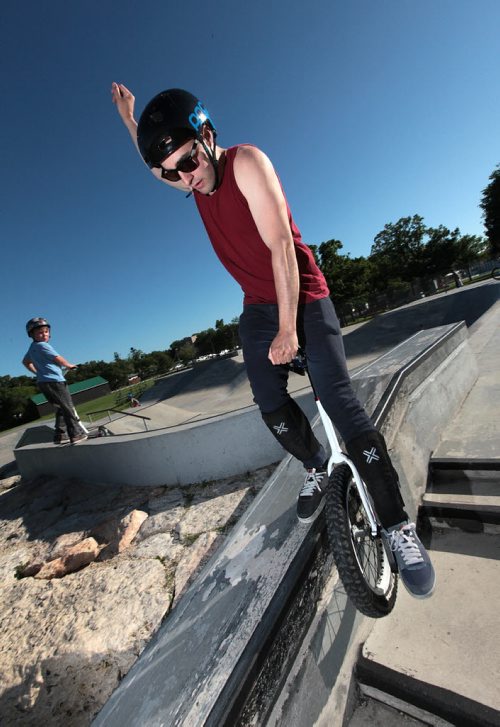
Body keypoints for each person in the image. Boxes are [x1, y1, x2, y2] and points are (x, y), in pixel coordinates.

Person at [111, 83, 435, 599]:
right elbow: (155, 167)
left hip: (304, 295)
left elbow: (282, 245)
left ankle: (397, 527)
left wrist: (290, 329)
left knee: (341, 405)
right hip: (257, 308)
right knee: (268, 399)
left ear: (208, 135)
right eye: (174, 172)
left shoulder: (246, 163)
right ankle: (314, 466)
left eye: (189, 162)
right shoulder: (187, 175)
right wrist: (131, 120)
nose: (185, 179)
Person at [22, 318, 88, 445]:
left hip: (43, 383)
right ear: (32, 335)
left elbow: (25, 362)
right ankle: (76, 434)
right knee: (68, 407)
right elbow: (57, 358)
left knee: (61, 408)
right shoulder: (43, 345)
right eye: (40, 332)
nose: (44, 334)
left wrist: (37, 372)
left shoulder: (32, 348)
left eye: (46, 331)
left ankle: (60, 435)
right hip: (55, 382)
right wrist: (68, 365)